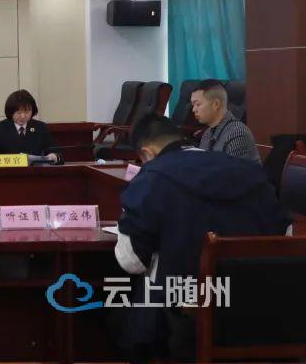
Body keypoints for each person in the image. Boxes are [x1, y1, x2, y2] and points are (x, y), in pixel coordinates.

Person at [113, 113, 289, 361]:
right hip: (264, 311)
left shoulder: (151, 178)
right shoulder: (249, 171)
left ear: (147, 153)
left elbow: (132, 261)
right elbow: (283, 235)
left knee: (121, 312)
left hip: (186, 317)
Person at [0, 89, 61, 165]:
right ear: (10, 112)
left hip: (35, 172)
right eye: (19, 112)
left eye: (27, 112)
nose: (23, 116)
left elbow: (56, 153)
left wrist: (54, 156)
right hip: (7, 173)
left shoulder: (40, 127)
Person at [191, 79, 260, 164]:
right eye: (193, 105)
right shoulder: (207, 133)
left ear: (216, 104)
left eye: (198, 104)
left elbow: (230, 171)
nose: (194, 110)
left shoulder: (237, 134)